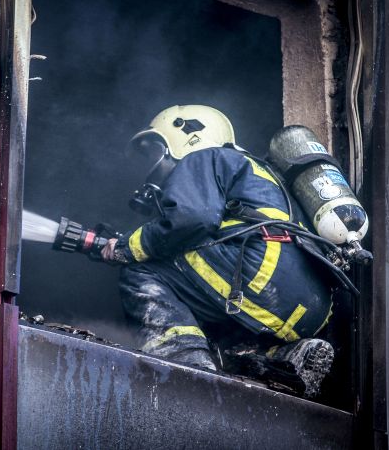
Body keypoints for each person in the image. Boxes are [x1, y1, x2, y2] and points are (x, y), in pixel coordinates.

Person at [101, 104, 336, 397]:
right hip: (313, 307)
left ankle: (183, 361)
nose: (153, 163)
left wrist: (126, 246)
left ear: (187, 135)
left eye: (156, 150)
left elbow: (190, 219)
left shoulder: (202, 157)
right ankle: (281, 357)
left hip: (260, 277)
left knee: (141, 268)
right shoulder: (258, 171)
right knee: (212, 329)